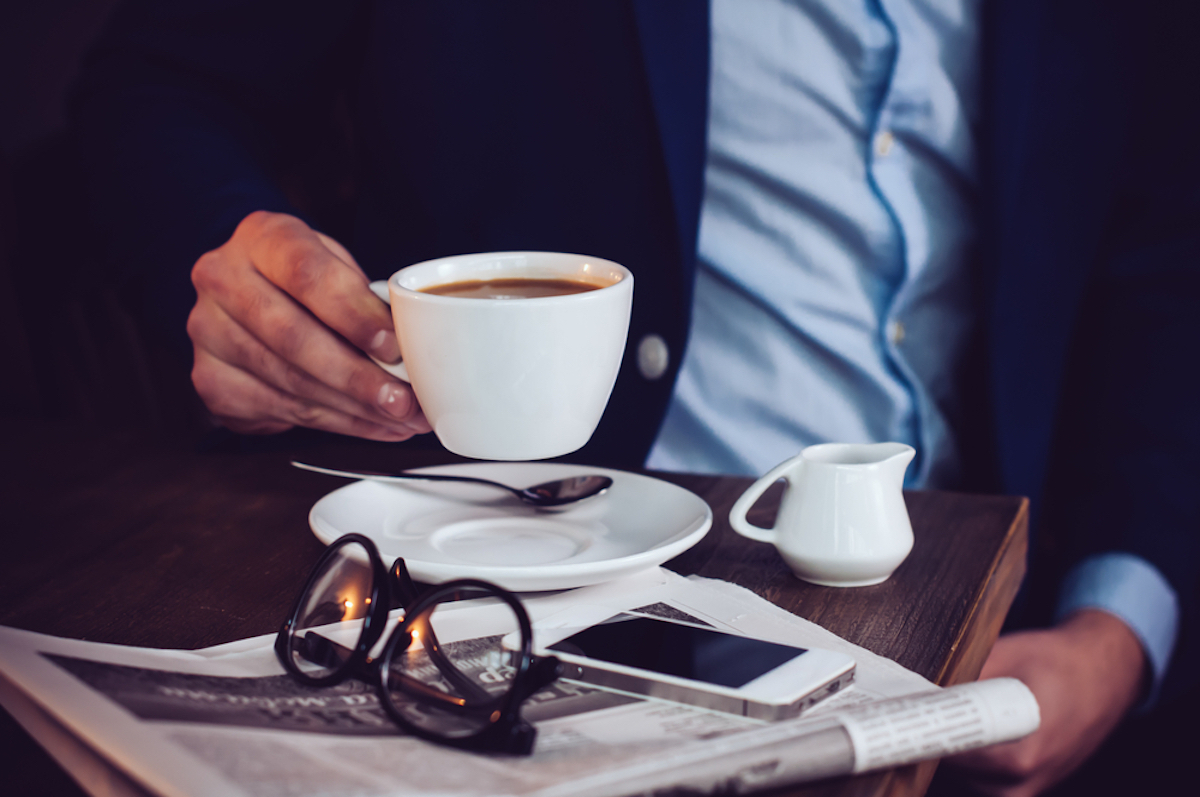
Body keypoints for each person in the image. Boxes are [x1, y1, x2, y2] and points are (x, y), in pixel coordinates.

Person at [70, 2, 1198, 794]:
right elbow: (157, 91)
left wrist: (1120, 627)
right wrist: (222, 269)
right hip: (503, 601)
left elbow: (1159, 264)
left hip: (986, 619)